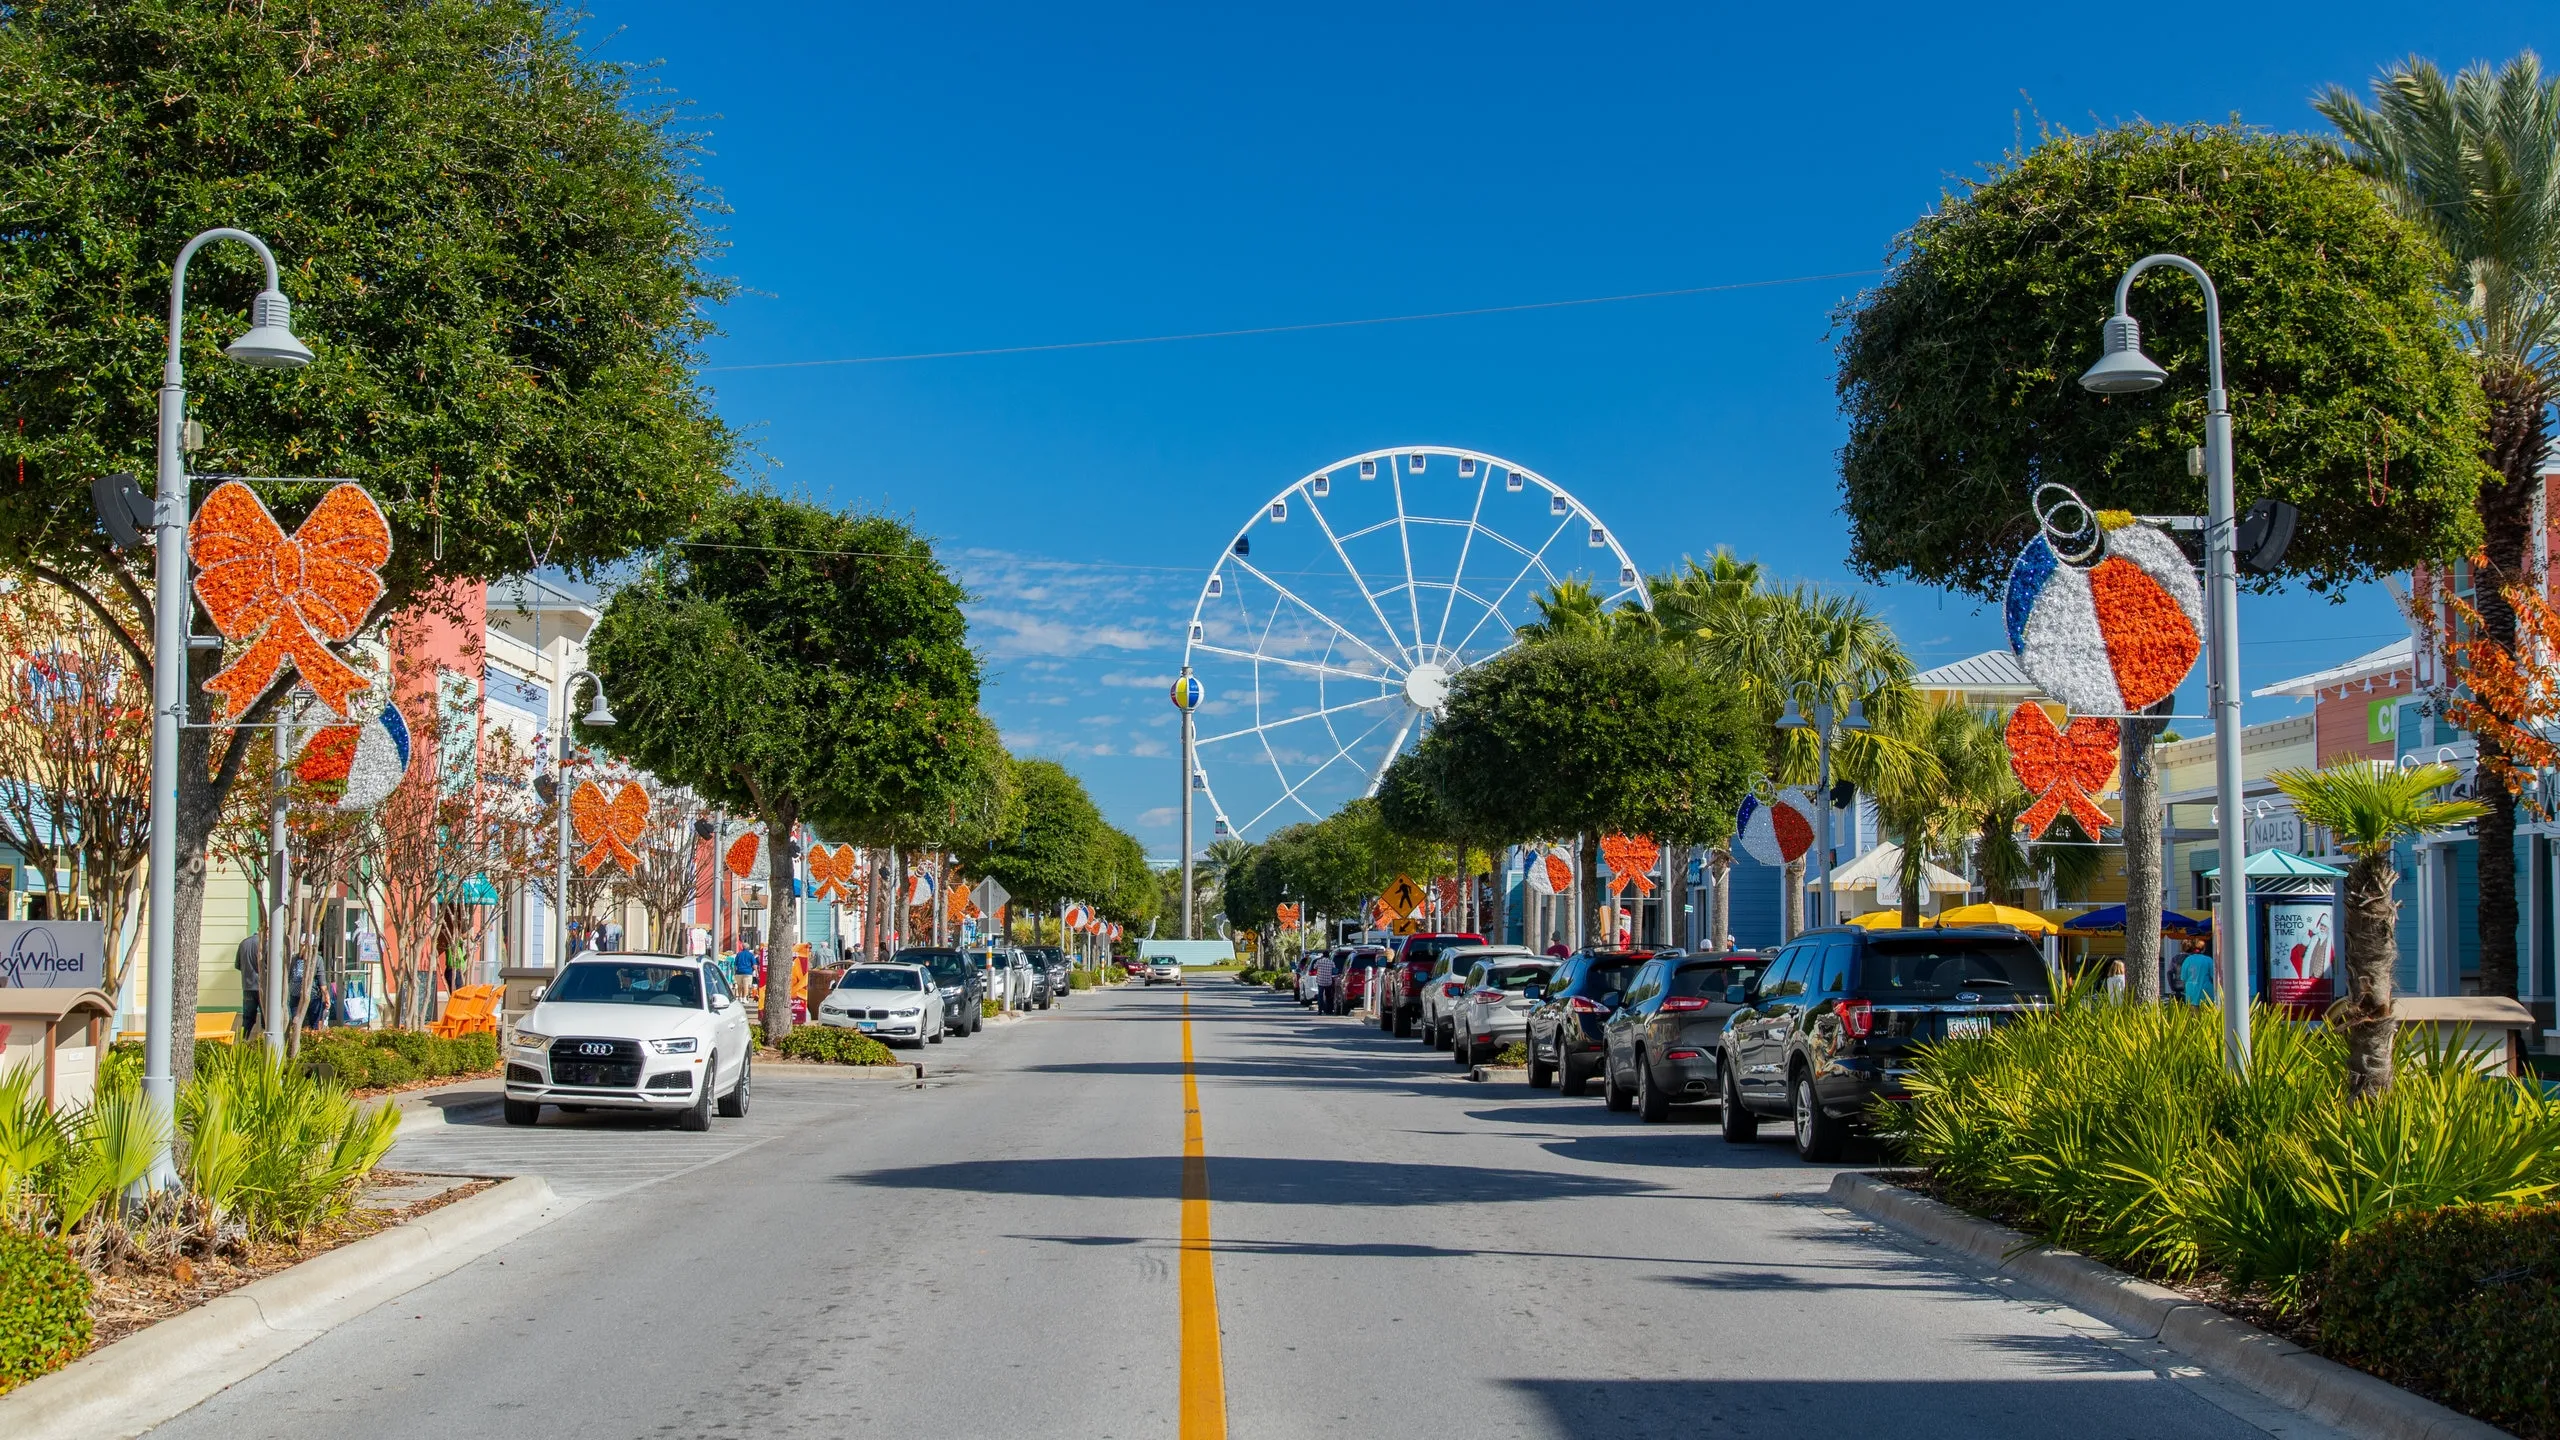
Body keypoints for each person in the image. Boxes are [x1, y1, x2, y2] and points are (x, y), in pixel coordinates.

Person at [236, 931, 264, 1037]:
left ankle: (243, 1040)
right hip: (263, 987)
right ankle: (266, 1041)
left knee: (247, 1018)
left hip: (248, 986)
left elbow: (237, 965)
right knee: (266, 1016)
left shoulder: (243, 943)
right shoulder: (266, 943)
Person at [2179, 938, 2217, 1007]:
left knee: (2193, 1013)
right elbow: (2214, 976)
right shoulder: (2208, 960)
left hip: (2191, 993)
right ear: (2203, 949)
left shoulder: (2187, 960)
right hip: (2206, 993)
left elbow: (2183, 978)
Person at [1312, 949, 1339, 1015]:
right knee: (1328, 996)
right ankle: (1328, 1010)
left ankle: (1320, 1010)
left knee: (1320, 996)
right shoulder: (1331, 962)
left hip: (1320, 981)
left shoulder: (1319, 961)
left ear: (1323, 955)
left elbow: (1314, 967)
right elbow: (1334, 969)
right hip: (1328, 981)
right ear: (1328, 956)